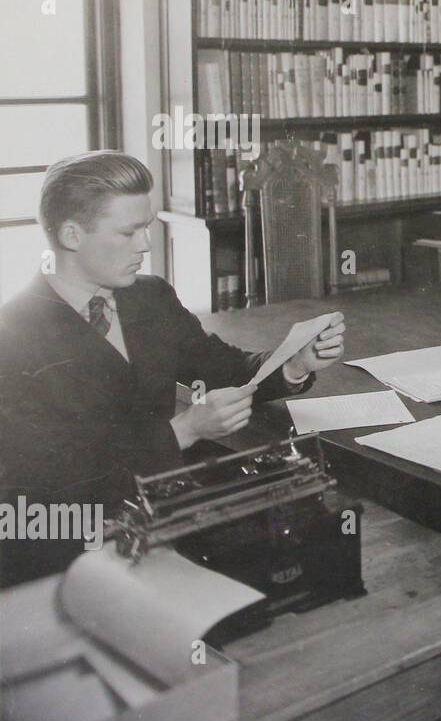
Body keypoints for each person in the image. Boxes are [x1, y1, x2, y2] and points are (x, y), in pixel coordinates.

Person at [0, 151, 346, 585]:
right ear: (72, 235)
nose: (145, 245)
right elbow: (47, 487)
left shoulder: (150, 296)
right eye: (128, 232)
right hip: (74, 545)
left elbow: (224, 367)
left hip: (169, 513)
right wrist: (186, 430)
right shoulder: (10, 335)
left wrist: (292, 363)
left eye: (146, 228)